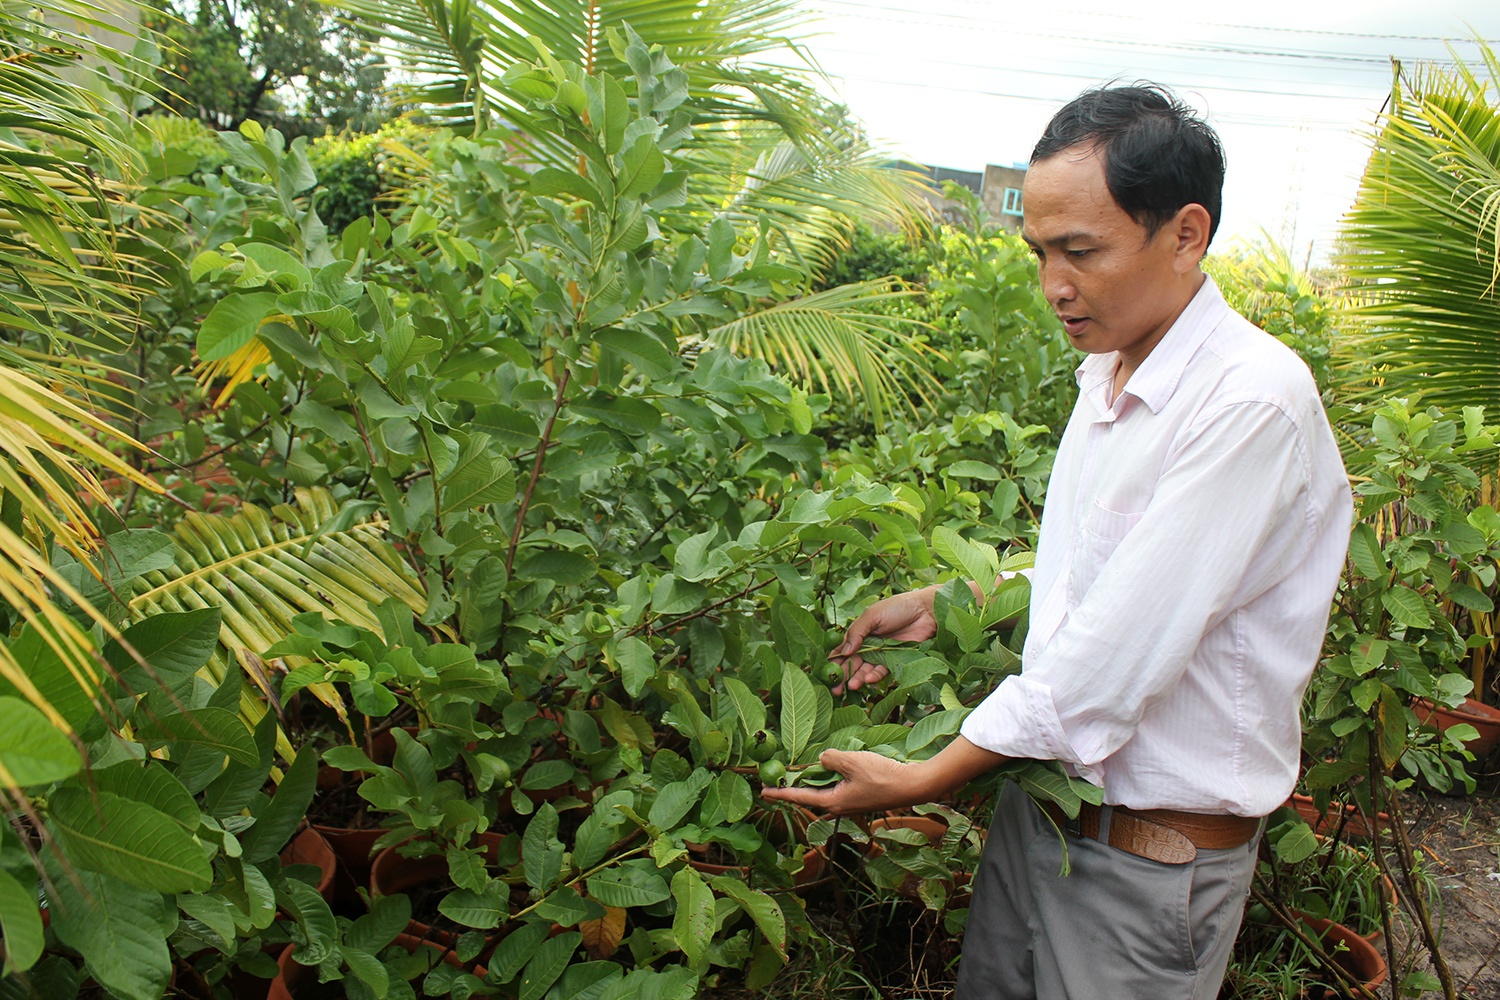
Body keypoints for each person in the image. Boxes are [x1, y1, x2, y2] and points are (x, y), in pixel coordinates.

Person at [761, 84, 1353, 1000]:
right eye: (1040, 252)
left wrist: (928, 776)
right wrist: (961, 599)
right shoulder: (1109, 373)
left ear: (1186, 235)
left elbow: (1112, 661)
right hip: (1042, 820)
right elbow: (1117, 569)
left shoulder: (1249, 403)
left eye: (1081, 252)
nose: (1053, 287)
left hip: (1149, 867)